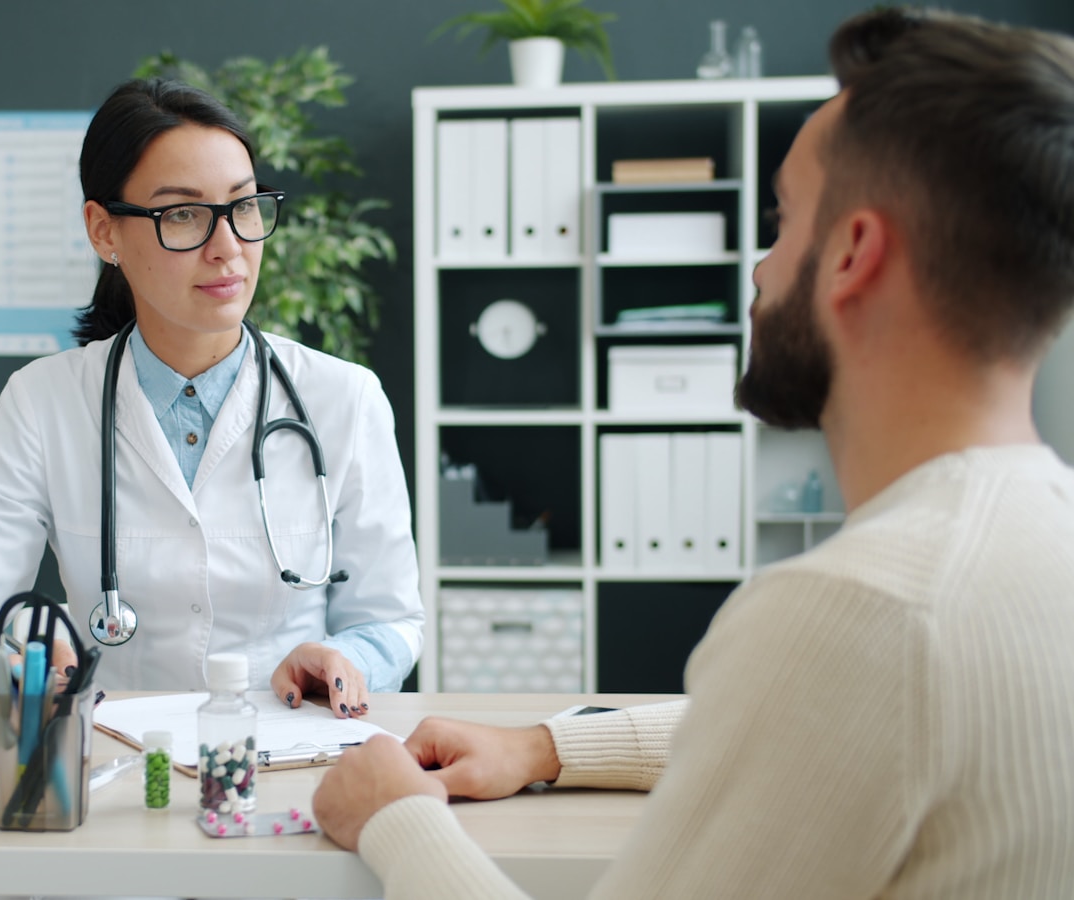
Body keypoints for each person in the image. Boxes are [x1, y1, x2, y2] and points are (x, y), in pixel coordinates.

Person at [313, 8, 1074, 897]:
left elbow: (842, 676)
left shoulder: (862, 611)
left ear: (854, 254)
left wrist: (394, 819)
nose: (757, 267)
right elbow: (811, 720)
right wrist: (545, 745)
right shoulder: (1032, 542)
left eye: (784, 221)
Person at [0, 78, 423, 717]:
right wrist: (6, 668)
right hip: (110, 756)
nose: (228, 246)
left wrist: (350, 663)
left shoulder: (345, 398)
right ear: (103, 231)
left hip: (292, 752)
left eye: (245, 206)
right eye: (183, 215)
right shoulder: (44, 401)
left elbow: (391, 621)